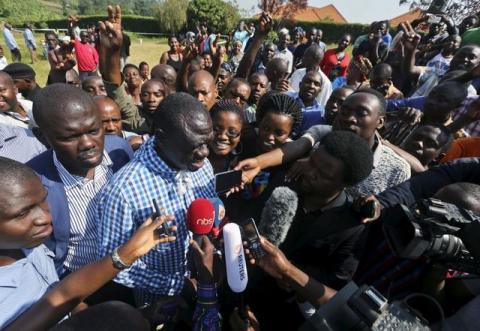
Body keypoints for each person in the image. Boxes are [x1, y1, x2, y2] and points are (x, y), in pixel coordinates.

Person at [0, 156, 176, 331]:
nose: (45, 218)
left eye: (43, 200)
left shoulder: (27, 243)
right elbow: (60, 296)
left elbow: (61, 294)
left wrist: (139, 317)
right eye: (22, 214)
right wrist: (128, 253)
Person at [97, 92, 217, 305]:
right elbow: (113, 268)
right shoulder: (123, 192)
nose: (205, 153)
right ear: (162, 136)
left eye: (208, 142)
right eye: (196, 145)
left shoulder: (201, 165)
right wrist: (178, 285)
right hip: (158, 303)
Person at [26, 83, 134, 275]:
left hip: (132, 274)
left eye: (93, 131)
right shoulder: (32, 184)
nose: (88, 144)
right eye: (71, 137)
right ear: (43, 137)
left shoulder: (119, 152)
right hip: (80, 288)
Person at [236, 90, 411, 199]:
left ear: (380, 121)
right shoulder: (323, 132)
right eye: (345, 111)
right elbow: (296, 146)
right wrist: (259, 163)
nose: (349, 118)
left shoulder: (397, 169)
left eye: (361, 113)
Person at [208, 99, 244, 173]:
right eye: (216, 129)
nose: (222, 136)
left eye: (232, 132)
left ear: (240, 134)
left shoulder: (243, 162)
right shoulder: (191, 158)